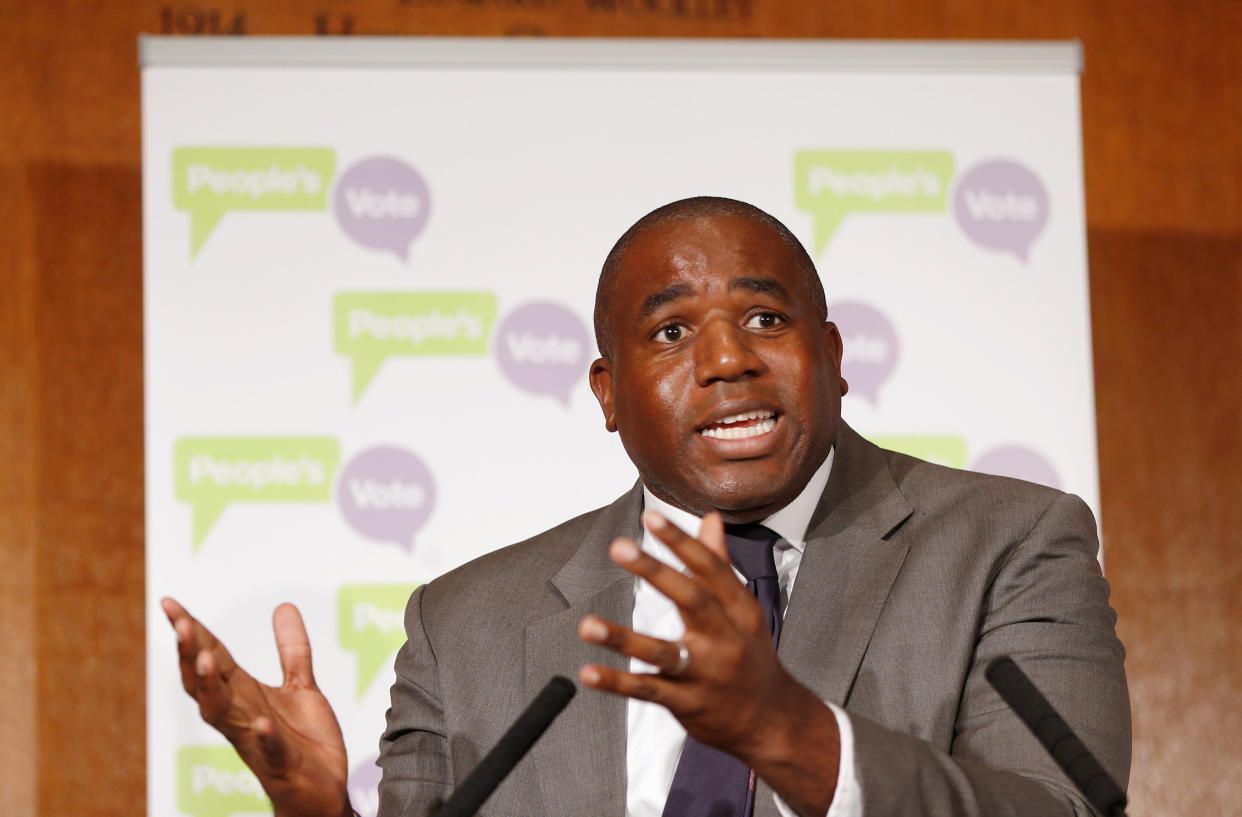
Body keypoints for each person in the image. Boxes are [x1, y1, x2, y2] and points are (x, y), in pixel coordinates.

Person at [164, 196, 1130, 817]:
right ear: (608, 393)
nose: (727, 360)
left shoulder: (1010, 543)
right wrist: (317, 812)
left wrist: (784, 729)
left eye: (765, 318)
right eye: (672, 331)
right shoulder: (465, 626)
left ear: (832, 356)